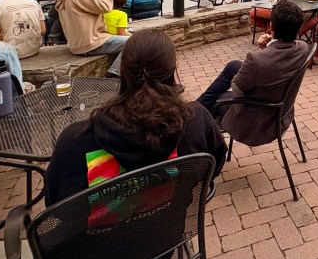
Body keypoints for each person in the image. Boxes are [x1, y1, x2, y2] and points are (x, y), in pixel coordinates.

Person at [45, 29, 226, 205]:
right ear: (172, 72)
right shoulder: (196, 120)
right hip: (169, 231)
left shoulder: (75, 140)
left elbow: (54, 203)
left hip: (103, 236)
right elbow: (214, 165)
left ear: (122, 71)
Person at [195, 0, 312, 119]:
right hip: (282, 108)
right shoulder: (303, 48)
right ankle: (195, 109)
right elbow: (277, 57)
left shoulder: (256, 59)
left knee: (215, 99)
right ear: (299, 28)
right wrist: (270, 45)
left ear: (271, 26)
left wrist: (264, 52)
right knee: (233, 66)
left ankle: (194, 116)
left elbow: (237, 91)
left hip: (257, 117)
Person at [55, 0, 125, 75]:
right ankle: (114, 74)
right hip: (91, 43)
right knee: (134, 42)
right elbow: (106, 6)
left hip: (80, 43)